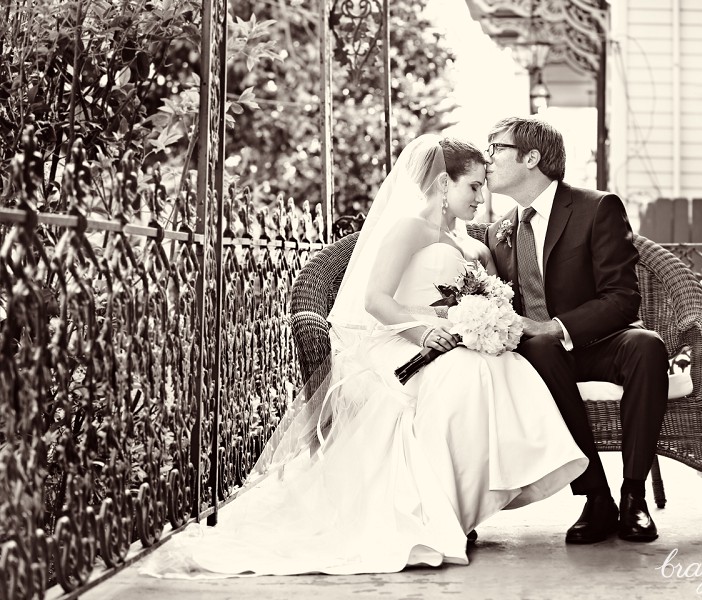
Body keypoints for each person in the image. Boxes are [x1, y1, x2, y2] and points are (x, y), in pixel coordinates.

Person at [140, 134, 588, 578]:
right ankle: (441, 510)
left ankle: (465, 504)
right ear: (441, 184)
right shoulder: (410, 228)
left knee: (499, 368)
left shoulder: (475, 245)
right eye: (472, 186)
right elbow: (376, 300)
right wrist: (424, 333)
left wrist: (483, 323)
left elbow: (488, 300)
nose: (481, 196)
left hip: (453, 340)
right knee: (466, 378)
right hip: (401, 339)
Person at [484, 117, 669, 543]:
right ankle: (597, 499)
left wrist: (556, 326)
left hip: (599, 341)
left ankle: (633, 496)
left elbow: (622, 297)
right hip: (540, 357)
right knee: (542, 349)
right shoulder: (498, 233)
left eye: (496, 148)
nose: (487, 158)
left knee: (647, 346)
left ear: (531, 158)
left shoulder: (597, 207)